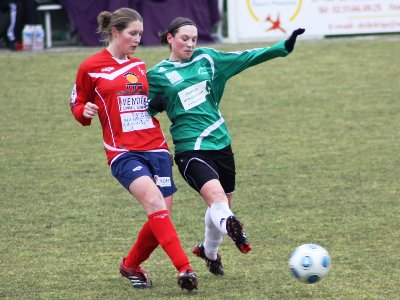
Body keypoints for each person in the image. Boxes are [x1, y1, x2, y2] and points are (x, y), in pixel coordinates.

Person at [147, 17, 305, 276]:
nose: (190, 44)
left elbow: (246, 58)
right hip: (190, 148)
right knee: (217, 200)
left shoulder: (207, 59)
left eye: (194, 39)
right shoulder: (156, 74)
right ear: (170, 39)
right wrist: (155, 105)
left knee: (220, 205)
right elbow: (139, 108)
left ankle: (209, 252)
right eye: (184, 39)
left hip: (221, 144)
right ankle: (234, 228)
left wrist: (281, 47)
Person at [69, 9, 198, 291]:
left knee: (160, 214)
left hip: (156, 147)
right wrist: (84, 110)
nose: (138, 39)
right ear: (115, 32)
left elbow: (147, 102)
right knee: (154, 203)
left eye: (140, 33)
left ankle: (130, 265)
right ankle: (185, 268)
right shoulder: (90, 67)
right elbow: (77, 104)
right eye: (133, 33)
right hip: (122, 151)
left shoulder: (139, 65)